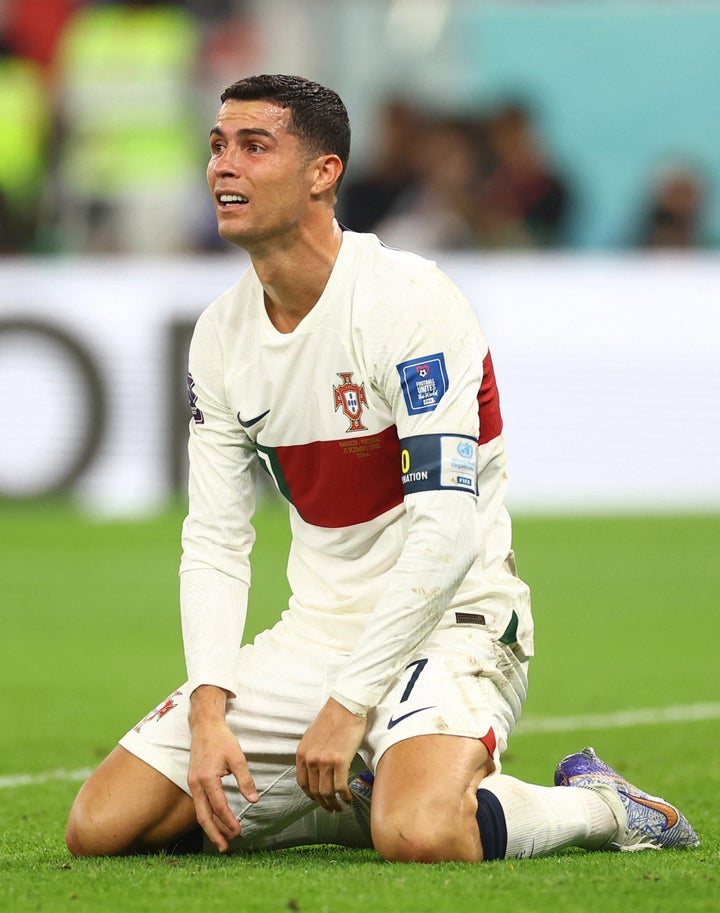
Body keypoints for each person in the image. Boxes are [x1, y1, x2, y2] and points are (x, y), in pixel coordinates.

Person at [66, 74, 699, 862]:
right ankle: (360, 790)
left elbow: (444, 532)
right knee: (103, 826)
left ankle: (600, 806)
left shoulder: (407, 302)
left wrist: (349, 703)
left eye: (254, 146)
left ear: (324, 172)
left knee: (423, 832)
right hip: (317, 634)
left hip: (454, 620)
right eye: (218, 146)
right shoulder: (221, 337)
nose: (224, 166)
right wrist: (208, 707)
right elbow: (216, 540)